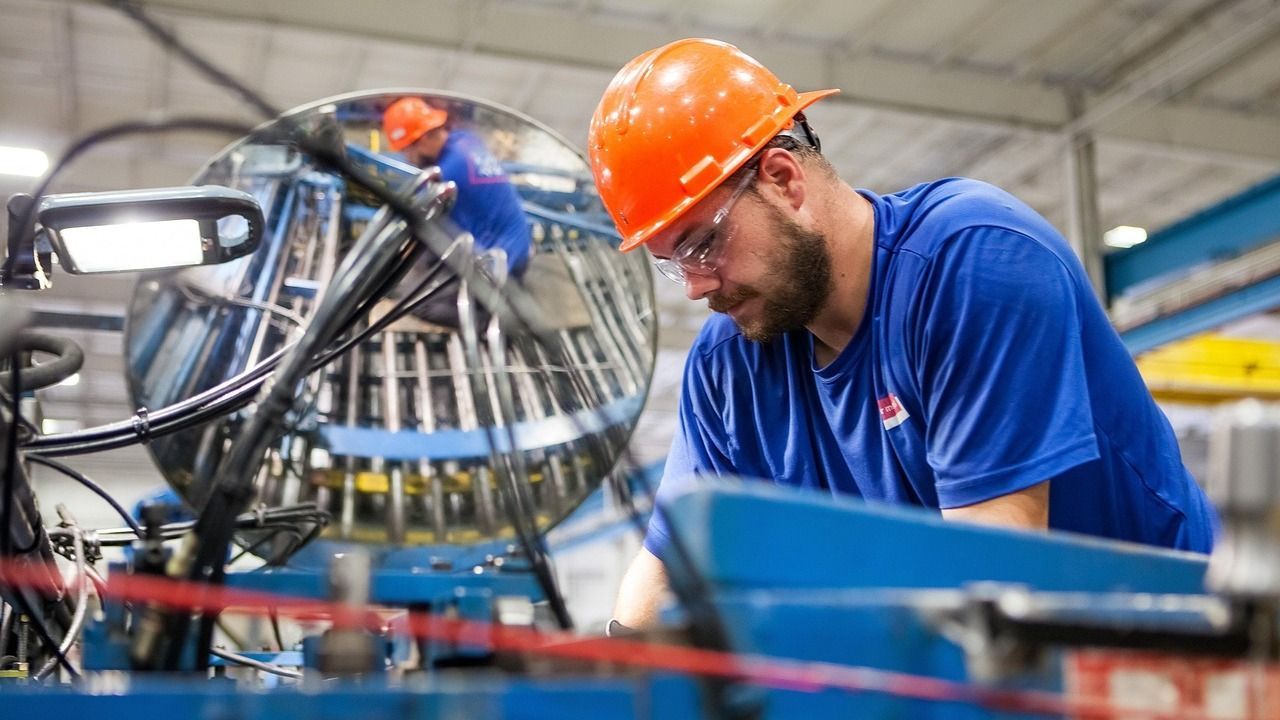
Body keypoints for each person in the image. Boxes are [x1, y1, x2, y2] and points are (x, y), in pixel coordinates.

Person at [587, 38, 1219, 630]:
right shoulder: (730, 366)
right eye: (674, 263)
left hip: (1168, 653)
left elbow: (992, 575)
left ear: (783, 181)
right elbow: (670, 569)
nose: (696, 287)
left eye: (703, 243)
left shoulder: (974, 262)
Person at [382, 97, 531, 325]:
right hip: (518, 247)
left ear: (421, 141)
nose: (406, 158)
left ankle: (498, 320)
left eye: (406, 150)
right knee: (427, 257)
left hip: (499, 265)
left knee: (415, 302)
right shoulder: (465, 141)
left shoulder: (446, 175)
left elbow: (420, 222)